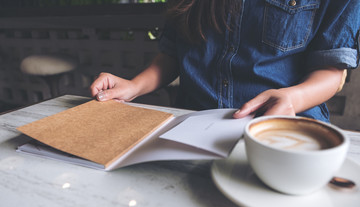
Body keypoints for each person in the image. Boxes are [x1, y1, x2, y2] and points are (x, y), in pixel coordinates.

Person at [90, 0, 360, 122]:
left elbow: (331, 69)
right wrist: (134, 86)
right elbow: (172, 53)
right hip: (194, 124)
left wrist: (292, 99)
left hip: (286, 127)